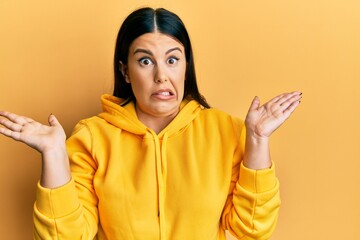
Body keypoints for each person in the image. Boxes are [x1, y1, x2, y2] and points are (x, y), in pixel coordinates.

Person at [0, 7, 302, 240]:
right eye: (145, 61)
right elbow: (64, 236)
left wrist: (258, 140)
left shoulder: (226, 132)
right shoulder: (92, 137)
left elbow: (251, 230)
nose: (161, 76)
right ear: (126, 71)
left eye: (172, 60)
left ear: (186, 66)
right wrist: (53, 153)